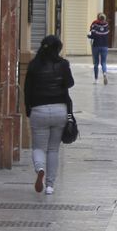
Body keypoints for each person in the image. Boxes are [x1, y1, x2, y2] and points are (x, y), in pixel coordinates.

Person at [24, 35, 74, 196]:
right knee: (53, 149)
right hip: (60, 109)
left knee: (39, 147)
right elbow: (70, 83)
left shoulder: (33, 66)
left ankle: (40, 169)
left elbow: (27, 90)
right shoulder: (63, 64)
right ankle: (50, 186)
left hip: (39, 110)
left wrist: (28, 109)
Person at [87, 13, 111, 85]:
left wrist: (88, 36)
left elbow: (92, 35)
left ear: (98, 18)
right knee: (103, 62)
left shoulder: (95, 26)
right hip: (104, 46)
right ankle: (104, 73)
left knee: (96, 63)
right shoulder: (107, 26)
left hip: (96, 46)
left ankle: (96, 79)